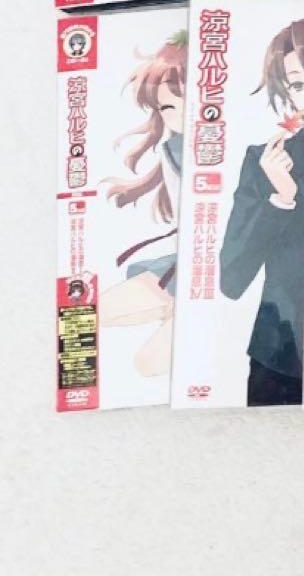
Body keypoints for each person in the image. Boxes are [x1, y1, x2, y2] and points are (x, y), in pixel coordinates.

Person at [220, 18, 304, 407]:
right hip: (280, 355)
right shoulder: (265, 160)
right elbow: (230, 277)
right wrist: (281, 199)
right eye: (300, 84)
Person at [100, 31, 187, 378]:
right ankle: (176, 307)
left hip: (228, 269)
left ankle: (182, 312)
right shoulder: (172, 150)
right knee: (96, 312)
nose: (180, 114)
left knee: (147, 363)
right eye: (168, 107)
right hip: (185, 262)